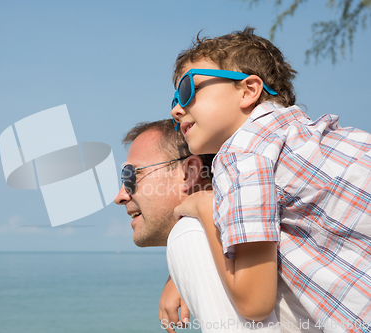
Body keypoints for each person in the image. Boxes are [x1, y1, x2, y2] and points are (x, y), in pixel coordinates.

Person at [169, 27, 371, 332]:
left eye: (186, 90)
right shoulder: (306, 138)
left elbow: (255, 303)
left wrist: (203, 207)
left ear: (248, 90)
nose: (175, 109)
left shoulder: (241, 153)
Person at [115, 119, 320, 333]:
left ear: (189, 172)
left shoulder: (191, 233)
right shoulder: (248, 223)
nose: (120, 196)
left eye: (131, 175)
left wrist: (188, 248)